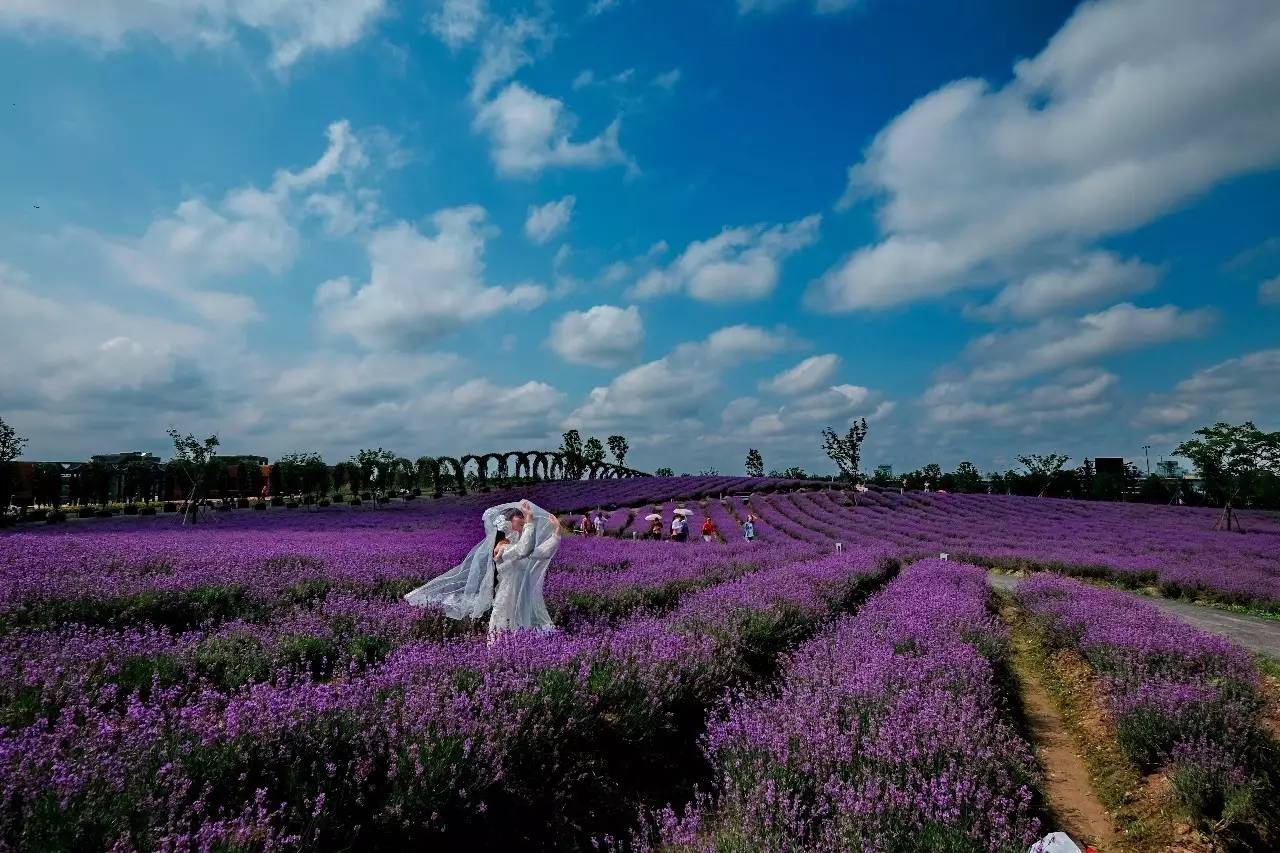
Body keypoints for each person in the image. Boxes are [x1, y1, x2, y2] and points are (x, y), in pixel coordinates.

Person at [404, 500, 561, 643]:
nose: (523, 518)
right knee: (503, 628)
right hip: (508, 594)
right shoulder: (501, 547)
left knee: (521, 631)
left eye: (523, 516)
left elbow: (540, 553)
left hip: (521, 593)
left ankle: (518, 658)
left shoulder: (517, 545)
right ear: (508, 522)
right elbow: (522, 550)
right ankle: (498, 658)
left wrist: (556, 534)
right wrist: (530, 523)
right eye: (519, 516)